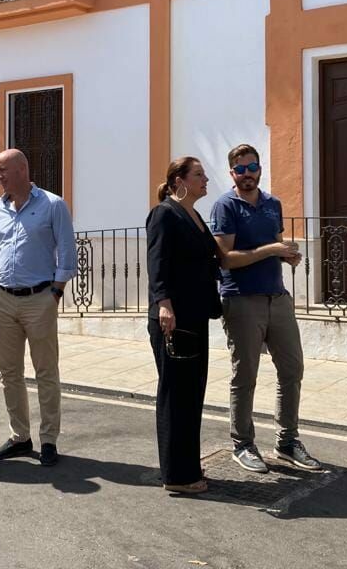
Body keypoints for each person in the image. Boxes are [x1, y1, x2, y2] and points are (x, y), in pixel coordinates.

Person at [209, 144, 321, 472]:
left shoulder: (273, 204)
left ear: (260, 168)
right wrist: (269, 249)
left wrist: (288, 255)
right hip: (241, 298)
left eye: (252, 167)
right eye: (240, 169)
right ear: (232, 173)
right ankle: (242, 444)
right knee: (245, 374)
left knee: (292, 369)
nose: (247, 174)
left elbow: (276, 248)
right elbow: (225, 258)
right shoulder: (225, 206)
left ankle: (287, 442)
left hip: (277, 296)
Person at [0, 149, 76, 467]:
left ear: (22, 169)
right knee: (10, 372)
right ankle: (20, 437)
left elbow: (67, 252)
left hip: (40, 298)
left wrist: (55, 293)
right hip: (3, 298)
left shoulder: (53, 204)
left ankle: (49, 439)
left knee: (46, 371)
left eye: (2, 171)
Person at [146, 156, 222, 494]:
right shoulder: (165, 213)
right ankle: (177, 476)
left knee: (192, 393)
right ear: (179, 180)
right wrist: (164, 304)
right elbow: (157, 262)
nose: (206, 180)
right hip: (173, 317)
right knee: (176, 394)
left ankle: (188, 467)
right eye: (199, 175)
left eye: (204, 175)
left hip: (194, 315)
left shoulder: (192, 214)